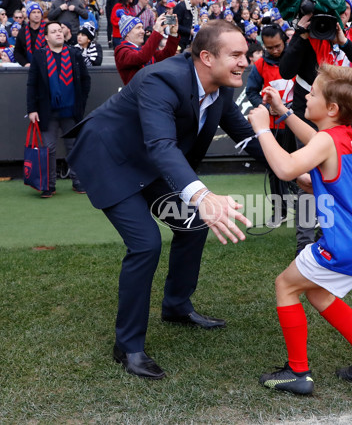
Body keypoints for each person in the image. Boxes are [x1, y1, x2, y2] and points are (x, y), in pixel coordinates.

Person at [65, 20, 267, 379]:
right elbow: (161, 145)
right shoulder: (163, 78)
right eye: (236, 55)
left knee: (195, 223)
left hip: (150, 161)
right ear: (206, 57)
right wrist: (202, 194)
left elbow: (247, 138)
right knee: (145, 244)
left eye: (245, 54)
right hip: (111, 158)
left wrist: (296, 170)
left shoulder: (220, 90)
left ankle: (176, 306)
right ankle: (127, 346)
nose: (245, 61)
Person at [248, 65, 352, 396]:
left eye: (312, 94)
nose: (306, 97)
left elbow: (285, 169)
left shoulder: (327, 140)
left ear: (331, 109)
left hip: (345, 243)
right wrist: (283, 113)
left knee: (285, 285)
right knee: (316, 290)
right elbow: (316, 145)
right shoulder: (344, 133)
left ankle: (298, 372)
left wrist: (262, 129)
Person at [279, 0, 352, 255]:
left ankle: (332, 233)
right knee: (308, 176)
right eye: (334, 12)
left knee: (338, 176)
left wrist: (343, 42)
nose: (338, 18)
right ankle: (305, 242)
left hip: (343, 121)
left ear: (351, 15)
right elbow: (286, 70)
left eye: (343, 12)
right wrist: (300, 34)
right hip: (308, 115)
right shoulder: (308, 38)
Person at [27, 21, 91, 198]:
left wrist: (80, 103)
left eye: (60, 30)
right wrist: (32, 109)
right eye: (53, 31)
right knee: (48, 149)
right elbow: (32, 85)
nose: (58, 34)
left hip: (71, 111)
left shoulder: (74, 54)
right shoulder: (39, 56)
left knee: (74, 147)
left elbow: (85, 80)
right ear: (46, 37)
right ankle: (49, 185)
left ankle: (78, 182)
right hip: (47, 112)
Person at [245, 23, 296, 227]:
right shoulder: (260, 66)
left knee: (304, 168)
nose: (275, 50)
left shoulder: (296, 59)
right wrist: (265, 107)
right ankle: (280, 212)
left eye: (278, 46)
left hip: (296, 124)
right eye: (270, 47)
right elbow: (251, 92)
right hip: (274, 127)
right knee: (275, 170)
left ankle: (309, 211)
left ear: (284, 41)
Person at [114, 12, 179, 84]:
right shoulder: (121, 51)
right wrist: (156, 32)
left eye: (142, 27)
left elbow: (167, 55)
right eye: (138, 28)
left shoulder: (143, 49)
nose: (143, 31)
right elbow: (141, 58)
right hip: (137, 94)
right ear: (127, 33)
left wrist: (173, 34)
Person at [14, 2, 46, 66]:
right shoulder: (22, 31)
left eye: (39, 12)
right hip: (29, 67)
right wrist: (25, 63)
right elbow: (17, 52)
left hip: (47, 66)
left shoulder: (48, 29)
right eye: (34, 12)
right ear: (28, 15)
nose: (37, 15)